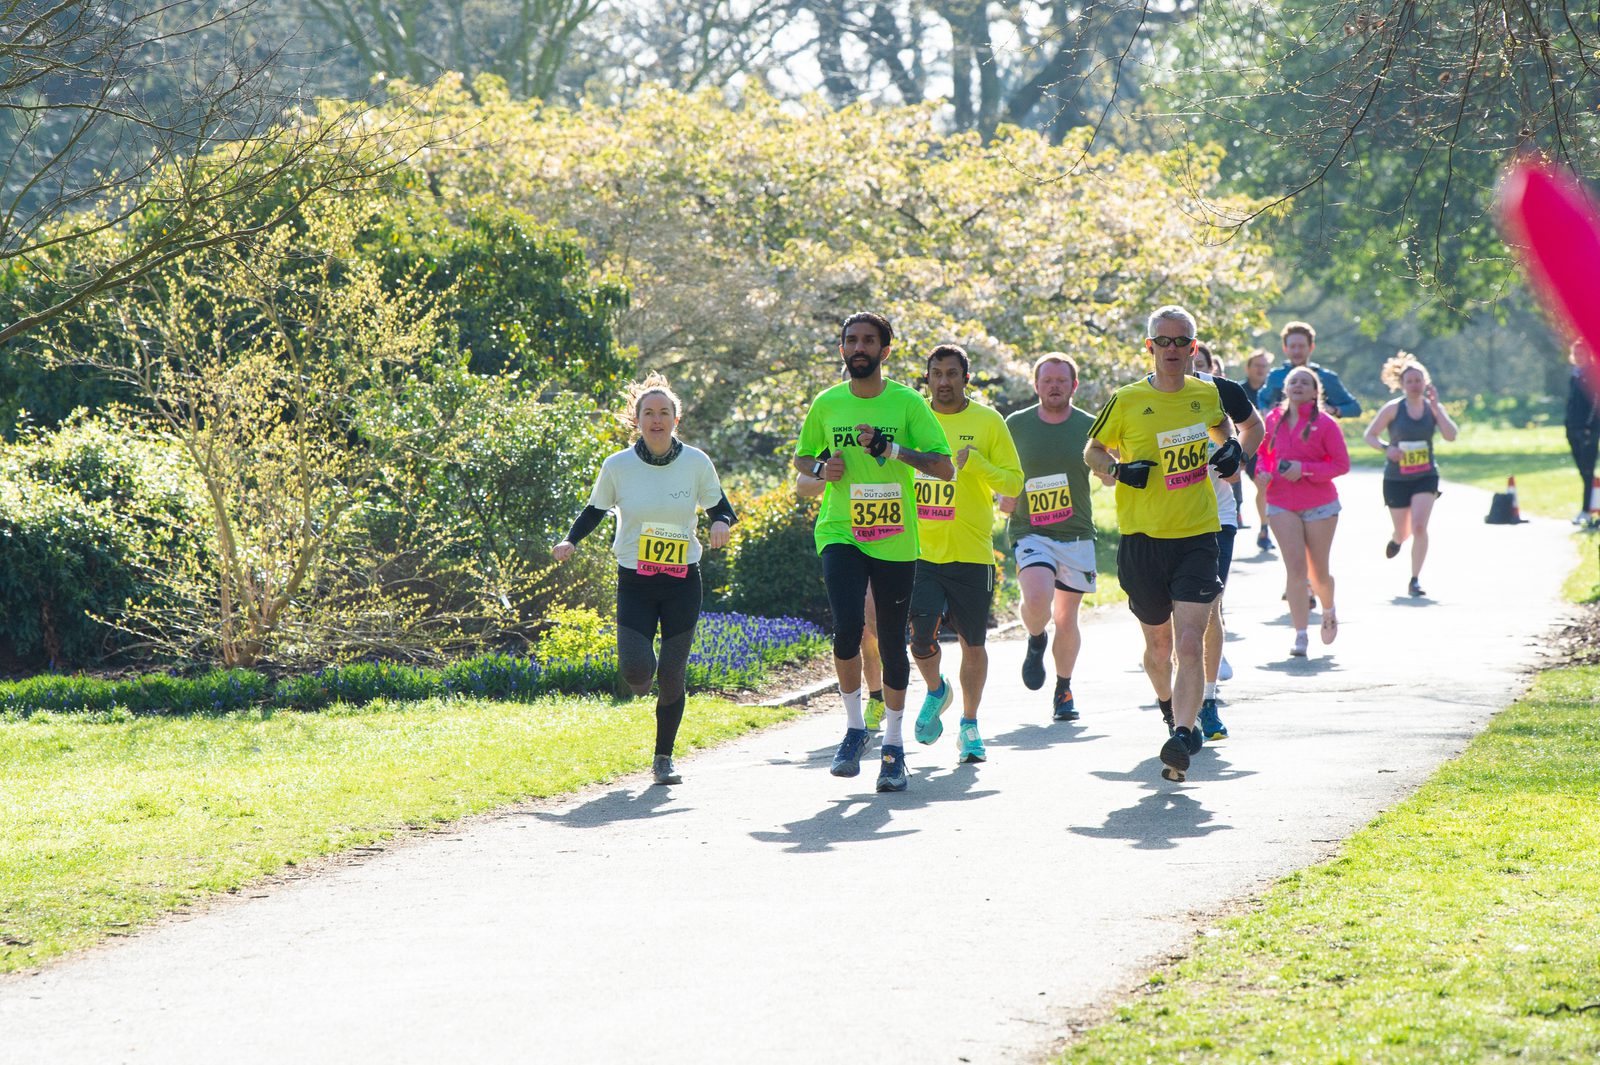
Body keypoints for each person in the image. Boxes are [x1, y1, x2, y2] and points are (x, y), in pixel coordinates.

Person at [794, 312, 954, 793]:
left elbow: (944, 468)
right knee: (846, 628)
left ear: (886, 351)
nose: (858, 348)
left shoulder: (907, 403)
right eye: (850, 341)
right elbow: (803, 456)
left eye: (868, 341)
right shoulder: (827, 403)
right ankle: (853, 729)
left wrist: (894, 450)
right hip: (840, 531)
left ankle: (893, 747)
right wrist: (824, 468)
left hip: (894, 537)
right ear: (841, 349)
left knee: (890, 640)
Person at [1084, 305, 1244, 783]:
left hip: (1197, 534)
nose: (1173, 350)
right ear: (1149, 347)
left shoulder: (1205, 394)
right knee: (1159, 646)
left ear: (1194, 348)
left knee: (1191, 641)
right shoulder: (1127, 399)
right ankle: (1167, 707)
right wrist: (1115, 470)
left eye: (1182, 342)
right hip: (1142, 540)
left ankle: (1183, 732)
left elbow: (1226, 427)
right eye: (1164, 341)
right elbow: (1093, 448)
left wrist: (1232, 445)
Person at [552, 373, 736, 785]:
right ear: (637, 421)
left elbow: (720, 507)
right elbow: (595, 509)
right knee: (637, 673)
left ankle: (663, 757)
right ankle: (642, 673)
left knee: (673, 673)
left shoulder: (696, 462)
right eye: (648, 413)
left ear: (676, 420)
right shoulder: (618, 466)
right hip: (635, 579)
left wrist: (721, 523)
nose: (656, 419)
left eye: (664, 412)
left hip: (682, 580)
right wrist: (569, 540)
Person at [909, 344, 1023, 763]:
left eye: (952, 373)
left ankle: (970, 725)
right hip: (918, 551)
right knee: (920, 639)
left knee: (973, 642)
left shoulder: (988, 421)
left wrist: (976, 464)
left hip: (972, 553)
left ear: (965, 378)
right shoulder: (912, 417)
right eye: (936, 373)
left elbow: (1013, 483)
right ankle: (938, 690)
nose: (943, 381)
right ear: (927, 378)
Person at [1000, 353, 1101, 724]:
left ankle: (1063, 688)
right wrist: (1002, 493)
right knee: (1038, 597)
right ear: (1036, 385)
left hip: (1075, 533)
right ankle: (1035, 636)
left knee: (1067, 617)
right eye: (1047, 381)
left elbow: (1112, 464)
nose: (1054, 386)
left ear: (1074, 386)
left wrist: (1115, 473)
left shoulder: (1091, 426)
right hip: (1031, 530)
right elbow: (1000, 468)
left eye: (1062, 380)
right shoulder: (1016, 425)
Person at [1189, 344, 1265, 739]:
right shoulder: (1143, 397)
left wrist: (1237, 456)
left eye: (1197, 362)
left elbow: (1254, 431)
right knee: (1172, 619)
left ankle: (1207, 700)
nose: (1186, 364)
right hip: (1162, 520)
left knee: (1208, 606)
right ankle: (1179, 699)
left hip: (1216, 517)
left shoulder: (1222, 395)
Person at [1254, 367, 1351, 657]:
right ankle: (1300, 635)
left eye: (1304, 382)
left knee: (1318, 572)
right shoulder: (1272, 420)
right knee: (1295, 569)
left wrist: (1305, 470)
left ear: (1314, 391)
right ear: (1285, 388)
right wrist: (1261, 471)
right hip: (1281, 501)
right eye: (1293, 381)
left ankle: (1329, 609)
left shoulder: (1326, 423)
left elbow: (1341, 464)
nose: (1298, 385)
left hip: (1320, 504)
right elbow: (1262, 454)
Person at [1362, 352, 1460, 597]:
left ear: (1425, 382)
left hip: (1425, 475)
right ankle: (1396, 540)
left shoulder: (1433, 408)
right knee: (1403, 531)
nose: (1415, 385)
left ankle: (1415, 579)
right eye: (1410, 381)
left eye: (1419, 380)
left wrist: (1438, 409)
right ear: (1402, 385)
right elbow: (1369, 435)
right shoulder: (1393, 409)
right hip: (1396, 478)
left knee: (1418, 526)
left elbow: (1451, 435)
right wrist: (1388, 449)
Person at [796, 464, 885, 724]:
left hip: (888, 536)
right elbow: (802, 485)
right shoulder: (836, 431)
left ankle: (899, 684)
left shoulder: (893, 426)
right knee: (862, 628)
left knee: (878, 623)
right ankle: (876, 697)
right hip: (845, 539)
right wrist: (828, 474)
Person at [1256, 321, 1363, 419]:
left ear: (1311, 347)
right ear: (1285, 348)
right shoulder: (1275, 376)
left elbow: (1355, 408)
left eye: (1301, 346)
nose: (1297, 351)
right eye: (1292, 346)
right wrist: (1266, 412)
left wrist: (1333, 410)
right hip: (1282, 436)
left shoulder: (1326, 377)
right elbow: (1262, 398)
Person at [1242, 348, 1275, 549]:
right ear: (1248, 368)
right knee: (1263, 486)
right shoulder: (1239, 391)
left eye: (1264, 366)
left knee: (1267, 488)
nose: (1261, 370)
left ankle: (1267, 527)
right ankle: (1264, 529)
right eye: (1257, 365)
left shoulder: (1274, 391)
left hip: (1271, 447)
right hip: (1250, 448)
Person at [1565, 339, 1600, 526]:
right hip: (1573, 429)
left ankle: (1586, 510)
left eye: (1582, 354)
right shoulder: (1575, 375)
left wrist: (1589, 426)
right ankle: (1592, 504)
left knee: (1588, 471)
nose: (1578, 358)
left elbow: (1595, 403)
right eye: (1575, 354)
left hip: (1588, 431)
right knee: (1584, 472)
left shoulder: (1593, 374)